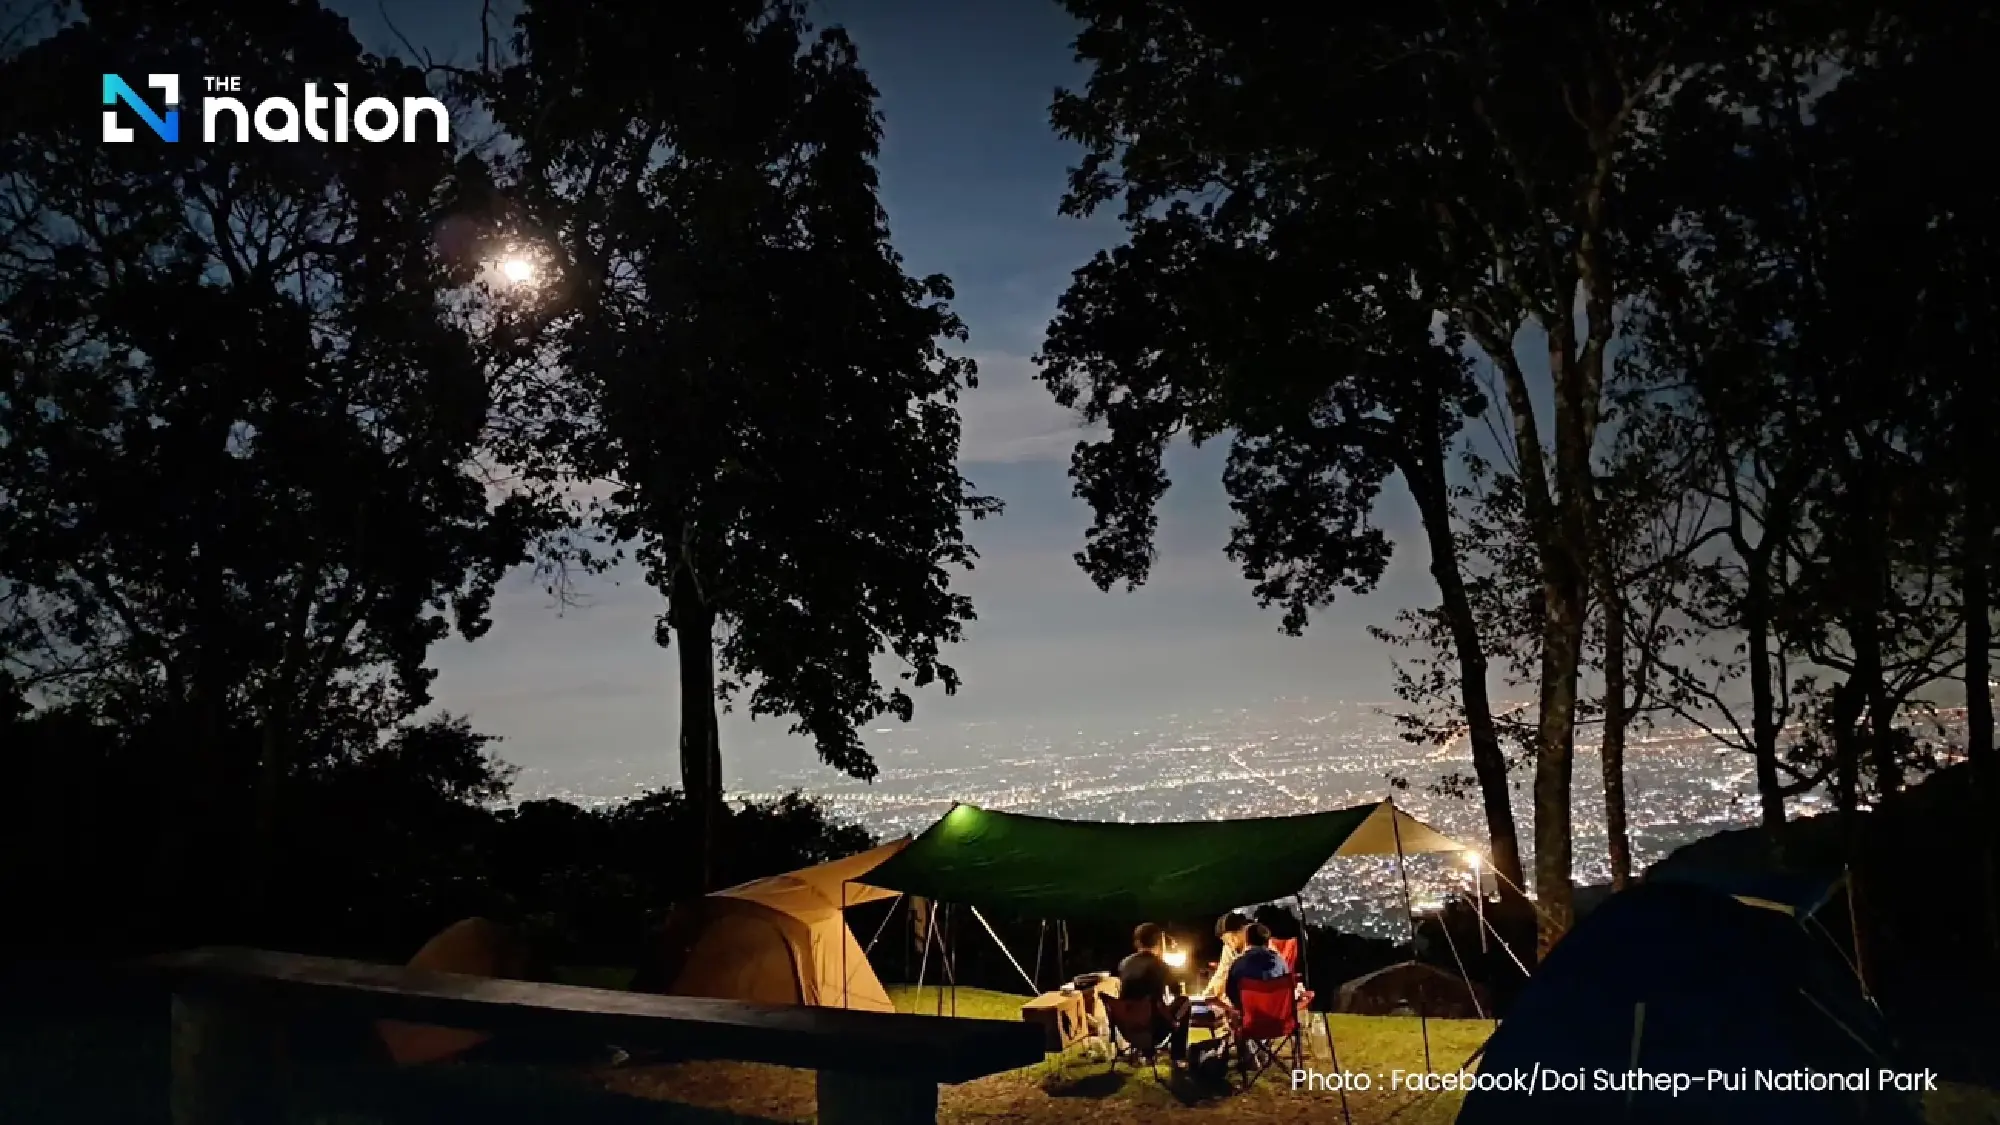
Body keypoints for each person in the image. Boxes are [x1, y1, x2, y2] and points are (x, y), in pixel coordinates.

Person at [1115, 922, 1189, 1065]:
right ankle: (1178, 1055)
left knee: (1146, 1006)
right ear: (1158, 942)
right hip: (1153, 1031)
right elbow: (1177, 991)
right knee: (1184, 1001)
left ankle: (1145, 1053)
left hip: (1127, 1029)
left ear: (1137, 942)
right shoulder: (1159, 965)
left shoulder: (1124, 963)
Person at [1223, 922, 1292, 1012]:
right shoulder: (1281, 962)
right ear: (1268, 942)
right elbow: (1288, 991)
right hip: (1277, 1017)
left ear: (1247, 942)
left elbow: (1231, 993)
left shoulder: (1238, 964)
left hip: (1251, 1017)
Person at [1197, 911, 1251, 1000]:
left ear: (1241, 931)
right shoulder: (1229, 948)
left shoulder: (1257, 943)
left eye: (1228, 939)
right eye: (1224, 941)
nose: (1228, 943)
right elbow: (1221, 973)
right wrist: (1205, 995)